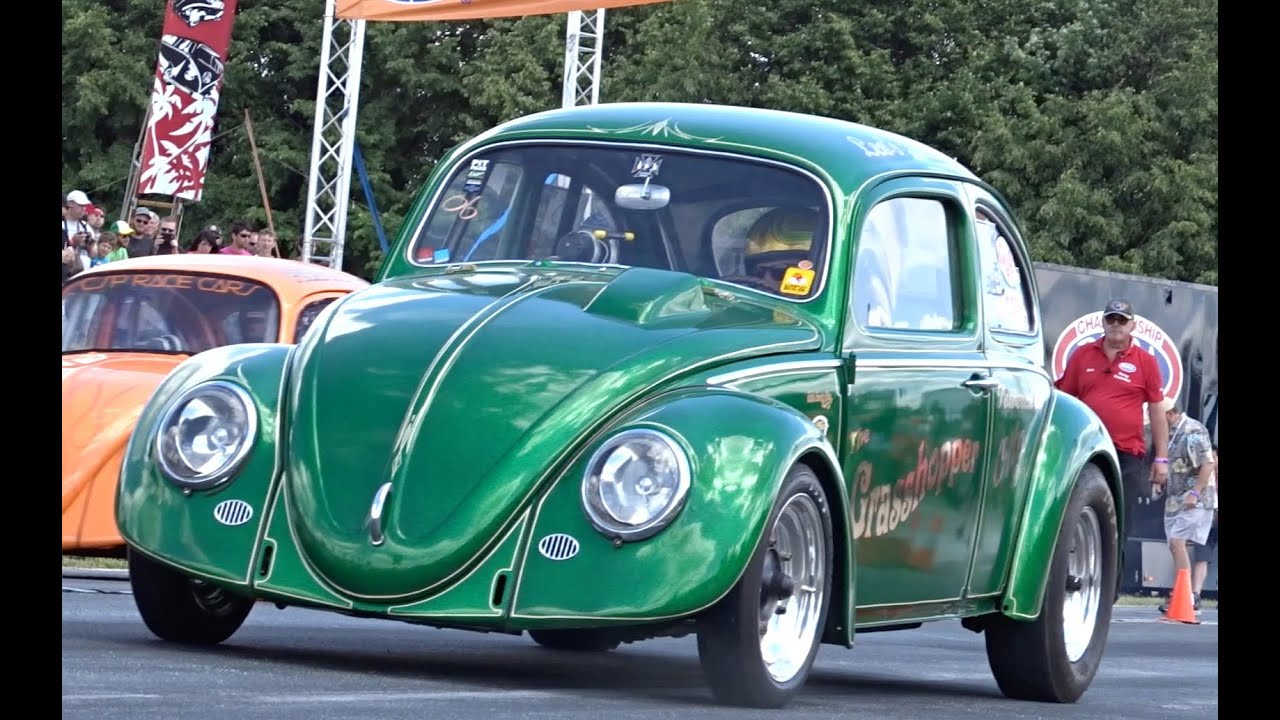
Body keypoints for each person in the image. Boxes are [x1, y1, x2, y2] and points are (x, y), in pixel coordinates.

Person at [1054, 299, 1170, 533]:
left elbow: (1157, 411)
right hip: (1086, 450)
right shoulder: (1082, 354)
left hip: (1126, 453)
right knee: (1076, 513)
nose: (1116, 324)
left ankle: (1116, 570)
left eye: (1122, 320)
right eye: (1111, 318)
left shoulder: (1146, 361)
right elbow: (1064, 400)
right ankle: (1078, 566)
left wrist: (1162, 459)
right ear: (1103, 322)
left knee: (1120, 520)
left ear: (1132, 326)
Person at [1151, 398, 1215, 615]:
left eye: (1158, 418)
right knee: (1173, 544)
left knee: (1178, 542)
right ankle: (1182, 593)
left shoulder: (1193, 431)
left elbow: (1207, 463)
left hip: (1194, 498)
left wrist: (1195, 493)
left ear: (1170, 414)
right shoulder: (1170, 434)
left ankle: (1187, 596)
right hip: (1175, 498)